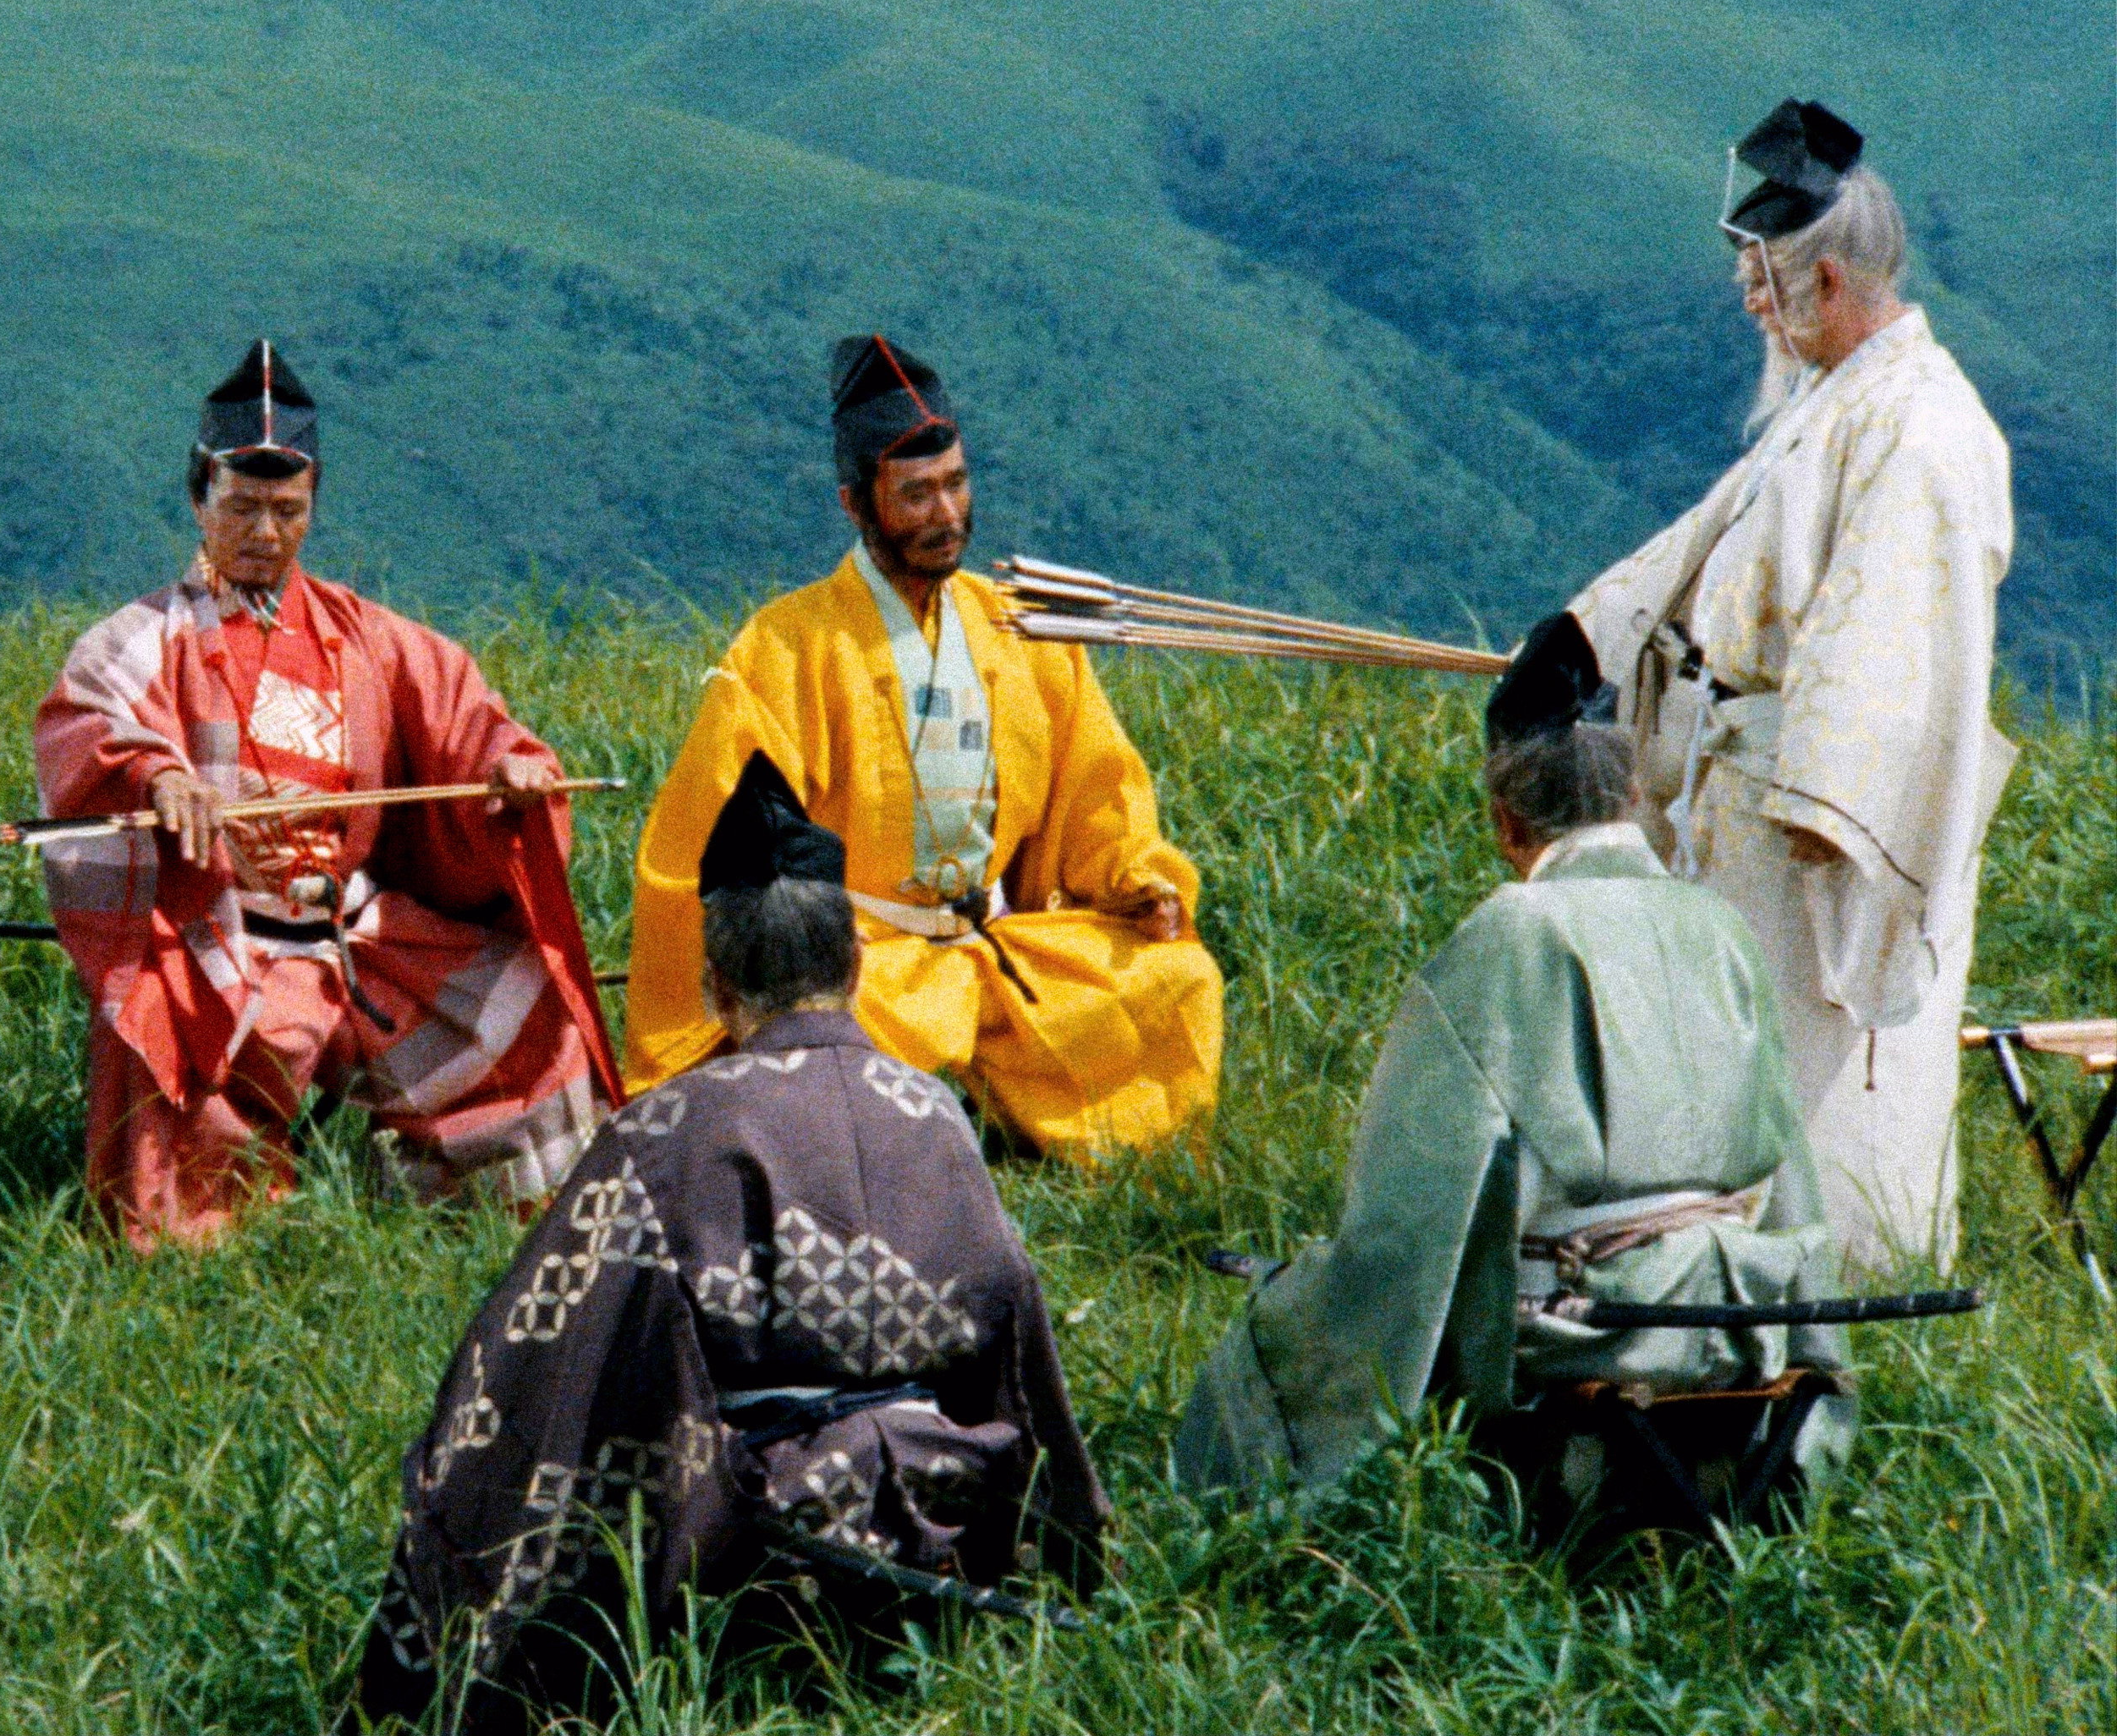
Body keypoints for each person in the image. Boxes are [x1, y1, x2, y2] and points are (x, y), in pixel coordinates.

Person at [359, 754, 1106, 1732]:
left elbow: (544, 1358)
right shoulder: (939, 1114)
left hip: (764, 1544)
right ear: (856, 966)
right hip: (947, 1513)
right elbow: (1013, 1327)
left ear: (715, 986)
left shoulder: (667, 1133)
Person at [1538, 100, 2010, 1274]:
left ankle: (1834, 1270)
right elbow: (1707, 536)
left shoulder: (1922, 427)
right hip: (1745, 782)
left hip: (1812, 811)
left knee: (1813, 1069)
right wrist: (1583, 641)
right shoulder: (1839, 398)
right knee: (1727, 1056)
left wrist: (1826, 811)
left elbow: (1893, 651)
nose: (1750, 301)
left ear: (1830, 279)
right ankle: (1717, 1260)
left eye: (1763, 280)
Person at [33, 341, 616, 1251]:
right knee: (168, 1034)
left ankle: (494, 1231)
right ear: (199, 499)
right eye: (242, 506)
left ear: (313, 509)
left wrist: (510, 769)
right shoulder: (144, 639)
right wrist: (160, 777)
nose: (265, 533)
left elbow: (468, 721)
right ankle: (220, 1262)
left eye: (288, 510)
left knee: (524, 1005)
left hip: (360, 928)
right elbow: (92, 721)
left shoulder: (368, 638)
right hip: (222, 932)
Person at [1174, 721, 1850, 1503]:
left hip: (1592, 1319)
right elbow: (1786, 1160)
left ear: (1506, 821)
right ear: (1633, 797)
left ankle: (1238, 1514)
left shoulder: (1513, 930)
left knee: (1289, 1321)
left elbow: (1417, 1196)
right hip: (1740, 1307)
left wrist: (1337, 1281)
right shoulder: (1721, 924)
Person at [622, 335, 1223, 1160]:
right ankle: (963, 1115)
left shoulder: (1020, 628)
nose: (946, 515)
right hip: (867, 965)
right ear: (855, 506)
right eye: (915, 495)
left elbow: (1098, 789)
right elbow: (710, 849)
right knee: (823, 1027)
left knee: (1176, 975)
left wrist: (1137, 880)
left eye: (956, 484)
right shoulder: (787, 648)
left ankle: (994, 1117)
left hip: (998, 946)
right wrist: (799, 956)